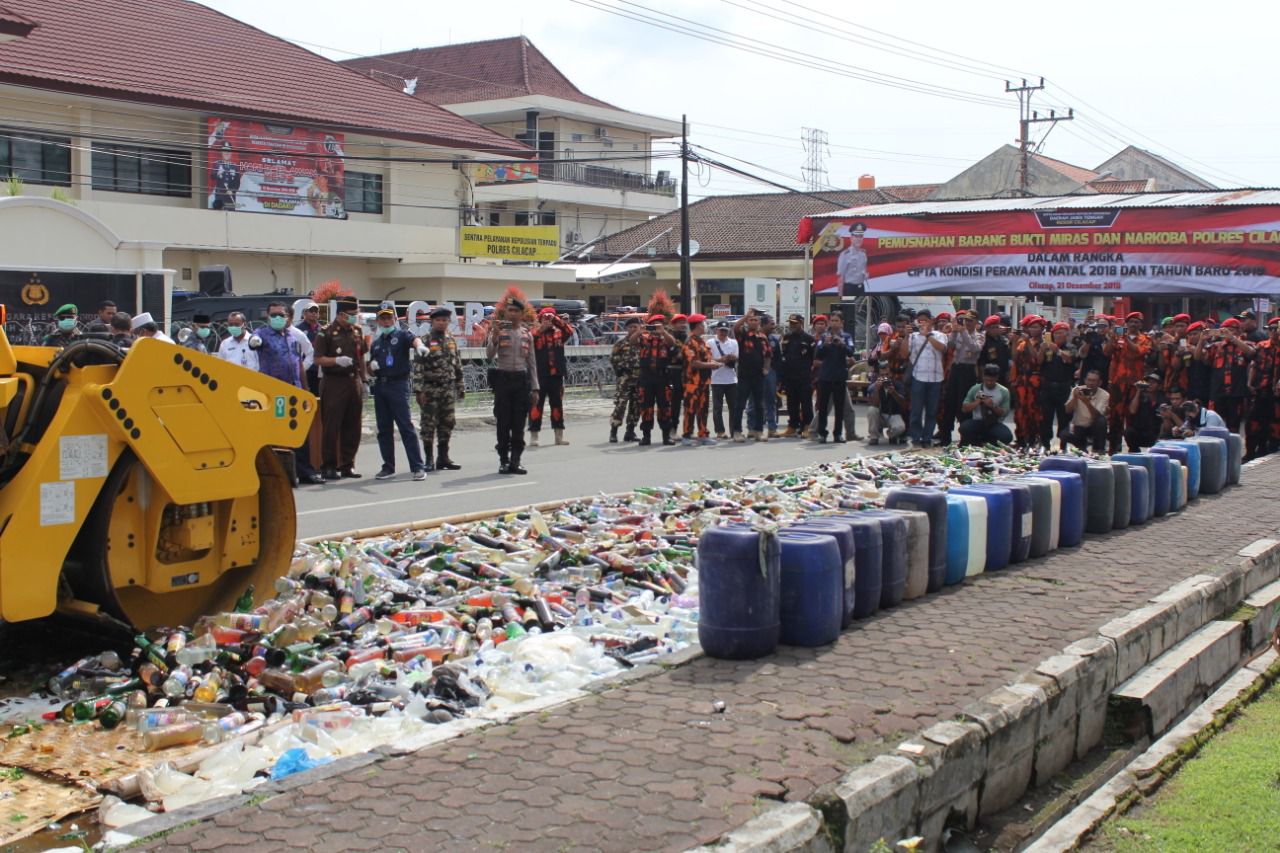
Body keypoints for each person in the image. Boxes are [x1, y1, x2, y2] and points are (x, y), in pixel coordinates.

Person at [253, 300, 324, 485]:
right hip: (276, 394)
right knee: (277, 433)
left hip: (295, 391)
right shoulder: (262, 334)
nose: (278, 318)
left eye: (281, 315)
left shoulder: (293, 336)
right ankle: (278, 476)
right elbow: (254, 342)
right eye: (274, 315)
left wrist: (306, 391)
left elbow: (299, 363)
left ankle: (305, 472)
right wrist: (255, 341)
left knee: (300, 432)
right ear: (268, 317)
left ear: (288, 317)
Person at [367, 307, 428, 481]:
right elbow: (370, 369)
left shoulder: (401, 335)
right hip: (381, 385)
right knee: (383, 428)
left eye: (389, 318)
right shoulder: (376, 343)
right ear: (378, 321)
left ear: (394, 319)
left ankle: (417, 467)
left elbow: (414, 339)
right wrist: (371, 367)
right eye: (383, 319)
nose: (386, 322)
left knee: (405, 426)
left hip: (398, 384)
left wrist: (419, 346)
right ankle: (388, 467)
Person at [312, 300, 366, 480]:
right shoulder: (326, 332)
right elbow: (318, 359)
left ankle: (347, 464)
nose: (354, 317)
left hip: (353, 381)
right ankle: (328, 465)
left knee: (353, 425)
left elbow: (361, 357)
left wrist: (364, 380)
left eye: (356, 314)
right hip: (333, 382)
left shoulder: (357, 331)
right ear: (341, 314)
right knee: (331, 426)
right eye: (352, 314)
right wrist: (336, 361)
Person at [486, 296, 538, 474]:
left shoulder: (526, 334)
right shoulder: (499, 331)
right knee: (503, 423)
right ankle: (503, 460)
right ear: (506, 313)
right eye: (510, 310)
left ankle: (516, 461)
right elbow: (489, 355)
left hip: (521, 382)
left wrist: (535, 388)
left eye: (516, 311)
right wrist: (494, 335)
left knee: (518, 423)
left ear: (522, 314)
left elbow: (532, 363)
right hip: (503, 380)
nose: (513, 314)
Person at [412, 306, 465, 472]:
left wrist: (460, 385)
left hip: (447, 389)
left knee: (447, 423)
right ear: (432, 321)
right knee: (428, 425)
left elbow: (457, 364)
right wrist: (419, 390)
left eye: (444, 320)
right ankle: (429, 459)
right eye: (438, 320)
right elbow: (418, 367)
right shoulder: (425, 340)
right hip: (430, 389)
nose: (442, 323)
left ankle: (443, 458)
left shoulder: (451, 340)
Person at [1103, 311, 1153, 453]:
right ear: (1126, 323)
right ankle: (1114, 448)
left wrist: (1125, 338)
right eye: (1131, 322)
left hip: (1135, 384)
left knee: (1133, 416)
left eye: (1136, 322)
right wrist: (1112, 339)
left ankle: (1133, 448)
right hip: (1118, 383)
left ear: (1141, 325)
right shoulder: (1118, 337)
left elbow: (1137, 351)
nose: (1133, 324)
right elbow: (1106, 352)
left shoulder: (1145, 339)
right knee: (1115, 416)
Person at [900, 308, 947, 448]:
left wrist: (927, 335)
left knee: (932, 411)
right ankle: (916, 437)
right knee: (916, 410)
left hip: (936, 378)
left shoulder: (939, 335)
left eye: (924, 321)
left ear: (931, 321)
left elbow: (942, 348)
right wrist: (906, 336)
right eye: (919, 321)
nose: (922, 324)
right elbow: (904, 354)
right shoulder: (913, 336)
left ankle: (927, 437)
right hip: (918, 377)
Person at [528, 308, 573, 447]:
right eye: (545, 317)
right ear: (540, 319)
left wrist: (556, 320)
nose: (547, 320)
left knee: (557, 406)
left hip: (556, 375)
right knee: (536, 406)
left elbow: (569, 332)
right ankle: (534, 436)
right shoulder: (534, 332)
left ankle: (559, 437)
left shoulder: (559, 332)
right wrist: (541, 328)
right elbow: (528, 340)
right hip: (539, 375)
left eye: (550, 317)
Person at [937, 310, 983, 445]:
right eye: (965, 320)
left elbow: (975, 348)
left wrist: (963, 332)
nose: (967, 323)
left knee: (963, 404)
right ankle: (945, 438)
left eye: (970, 320)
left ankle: (965, 439)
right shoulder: (959, 332)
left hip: (968, 370)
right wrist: (955, 330)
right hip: (956, 368)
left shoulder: (979, 336)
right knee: (949, 403)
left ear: (976, 322)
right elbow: (950, 345)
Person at [1202, 316, 1255, 432]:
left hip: (1236, 393)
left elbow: (1252, 353)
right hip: (1217, 392)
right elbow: (1200, 358)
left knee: (1234, 427)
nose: (1227, 333)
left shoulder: (1245, 344)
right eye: (1225, 330)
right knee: (1214, 426)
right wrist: (1202, 340)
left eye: (1231, 330)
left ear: (1238, 331)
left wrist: (1233, 339)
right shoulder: (1215, 346)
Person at [636, 314, 677, 446]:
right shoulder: (644, 338)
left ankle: (666, 436)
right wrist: (639, 331)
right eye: (653, 325)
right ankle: (646, 436)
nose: (655, 328)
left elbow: (673, 343)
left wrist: (663, 332)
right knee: (646, 407)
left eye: (658, 325)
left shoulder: (666, 339)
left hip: (662, 377)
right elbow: (631, 342)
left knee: (664, 407)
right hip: (646, 378)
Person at [813, 311, 853, 443]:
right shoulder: (824, 336)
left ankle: (838, 434)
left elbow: (851, 352)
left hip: (839, 377)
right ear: (829, 322)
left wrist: (842, 344)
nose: (834, 323)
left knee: (839, 407)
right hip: (825, 377)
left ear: (842, 323)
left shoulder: (846, 337)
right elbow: (818, 355)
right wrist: (825, 344)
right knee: (823, 407)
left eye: (837, 321)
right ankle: (822, 433)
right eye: (832, 321)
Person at [732, 310, 772, 442]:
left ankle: (758, 431)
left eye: (756, 320)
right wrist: (746, 317)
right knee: (740, 404)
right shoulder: (743, 335)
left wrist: (766, 368)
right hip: (744, 375)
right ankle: (737, 432)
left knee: (759, 405)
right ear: (748, 322)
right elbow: (735, 328)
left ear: (759, 322)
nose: (753, 322)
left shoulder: (763, 337)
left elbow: (768, 355)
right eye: (751, 320)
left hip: (758, 375)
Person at [1009, 315, 1048, 447]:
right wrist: (1015, 341)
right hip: (1021, 381)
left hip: (1034, 381)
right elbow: (1015, 357)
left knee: (1033, 411)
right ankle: (1020, 439)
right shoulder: (1023, 342)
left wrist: (1028, 343)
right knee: (1020, 411)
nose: (1032, 329)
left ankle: (1032, 439)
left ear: (1042, 329)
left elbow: (1038, 360)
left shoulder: (1044, 343)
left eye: (1036, 327)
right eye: (1031, 327)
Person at [1245, 317, 1280, 459]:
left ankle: (1268, 450)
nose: (1273, 332)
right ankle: (1250, 452)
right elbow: (1253, 363)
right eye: (1270, 329)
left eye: (1276, 329)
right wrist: (1249, 382)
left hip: (1276, 395)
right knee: (1253, 422)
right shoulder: (1262, 346)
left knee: (1273, 424)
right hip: (1260, 390)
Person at [680, 313, 717, 446]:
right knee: (690, 409)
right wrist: (711, 365)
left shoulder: (701, 341)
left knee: (703, 409)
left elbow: (705, 359)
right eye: (703, 323)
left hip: (704, 381)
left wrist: (715, 362)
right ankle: (687, 435)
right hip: (692, 382)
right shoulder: (690, 342)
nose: (705, 326)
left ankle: (703, 434)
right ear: (697, 326)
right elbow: (694, 363)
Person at [959, 364, 1013, 447]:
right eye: (987, 380)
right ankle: (977, 443)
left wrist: (993, 406)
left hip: (994, 423)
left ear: (997, 378)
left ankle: (991, 443)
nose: (989, 383)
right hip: (978, 421)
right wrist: (977, 402)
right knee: (964, 428)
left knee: (1007, 437)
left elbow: (1004, 413)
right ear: (983, 377)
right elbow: (964, 408)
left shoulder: (1004, 391)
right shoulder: (975, 389)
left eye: (992, 380)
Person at [779, 313, 815, 437]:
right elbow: (784, 355)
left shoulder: (809, 339)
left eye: (795, 323)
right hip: (790, 376)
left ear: (801, 323)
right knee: (791, 404)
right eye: (791, 323)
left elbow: (813, 358)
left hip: (804, 377)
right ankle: (792, 427)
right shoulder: (787, 337)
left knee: (806, 404)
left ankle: (807, 427)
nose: (792, 325)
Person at [608, 317, 642, 443]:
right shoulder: (621, 342)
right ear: (627, 328)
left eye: (635, 327)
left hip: (639, 378)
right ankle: (614, 432)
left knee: (636, 406)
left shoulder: (643, 341)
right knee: (620, 405)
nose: (633, 329)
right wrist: (620, 370)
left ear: (640, 328)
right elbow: (613, 358)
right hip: (625, 378)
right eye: (631, 327)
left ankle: (630, 432)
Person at [1064, 369, 1110, 452]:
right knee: (1064, 434)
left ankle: (1098, 450)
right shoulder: (1077, 390)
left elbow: (1097, 415)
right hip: (1079, 425)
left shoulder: (1105, 395)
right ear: (1085, 380)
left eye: (1094, 381)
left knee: (1101, 421)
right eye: (1089, 380)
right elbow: (1067, 410)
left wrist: (1087, 402)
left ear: (1099, 383)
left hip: (1094, 426)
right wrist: (1075, 398)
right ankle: (1081, 448)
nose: (1091, 383)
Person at [709, 321, 739, 440]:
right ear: (716, 330)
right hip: (716, 379)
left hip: (731, 379)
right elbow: (707, 359)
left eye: (725, 331)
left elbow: (737, 357)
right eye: (721, 330)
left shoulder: (733, 342)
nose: (723, 333)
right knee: (717, 408)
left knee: (734, 407)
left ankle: (734, 431)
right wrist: (721, 359)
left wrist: (732, 358)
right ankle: (720, 431)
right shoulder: (710, 342)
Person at [866, 361, 907, 445]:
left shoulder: (897, 384)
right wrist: (877, 390)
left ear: (891, 374)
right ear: (878, 376)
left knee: (900, 427)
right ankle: (874, 437)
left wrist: (894, 392)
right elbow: (874, 404)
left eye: (887, 375)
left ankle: (891, 434)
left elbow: (903, 403)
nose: (885, 377)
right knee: (871, 410)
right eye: (882, 375)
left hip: (893, 414)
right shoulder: (874, 386)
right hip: (880, 416)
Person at [1124, 372, 1163, 451]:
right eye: (1148, 382)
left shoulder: (1163, 400)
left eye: (1153, 382)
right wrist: (1138, 391)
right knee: (1129, 432)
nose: (1150, 384)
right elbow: (1132, 410)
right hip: (1141, 432)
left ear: (1159, 386)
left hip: (1156, 434)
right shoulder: (1140, 397)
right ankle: (1134, 451)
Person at [666, 313, 690, 434]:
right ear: (673, 325)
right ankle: (672, 429)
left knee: (689, 403)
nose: (683, 325)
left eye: (684, 322)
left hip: (687, 373)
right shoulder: (670, 337)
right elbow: (678, 355)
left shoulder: (687, 337)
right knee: (675, 403)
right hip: (674, 372)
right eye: (680, 323)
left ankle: (688, 430)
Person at [976, 314, 1011, 389]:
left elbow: (1007, 358)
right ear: (987, 328)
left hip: (1002, 374)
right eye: (993, 327)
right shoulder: (984, 341)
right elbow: (981, 363)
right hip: (989, 376)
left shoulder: (1003, 340)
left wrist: (1008, 373)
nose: (995, 329)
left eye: (997, 327)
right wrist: (982, 379)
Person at [836, 222, 868, 297]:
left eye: (861, 236)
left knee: (861, 305)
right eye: (856, 236)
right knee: (849, 305)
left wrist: (865, 274)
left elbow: (864, 270)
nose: (858, 239)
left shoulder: (863, 254)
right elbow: (841, 278)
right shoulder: (845, 255)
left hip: (861, 288)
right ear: (851, 238)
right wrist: (840, 296)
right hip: (849, 289)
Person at [210, 144, 241, 210]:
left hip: (230, 198)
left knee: (231, 214)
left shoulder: (235, 167)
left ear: (231, 153)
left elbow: (237, 183)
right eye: (224, 151)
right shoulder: (217, 164)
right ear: (222, 153)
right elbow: (212, 176)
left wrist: (232, 191)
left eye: (228, 151)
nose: (226, 153)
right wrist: (218, 173)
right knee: (218, 214)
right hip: (219, 198)